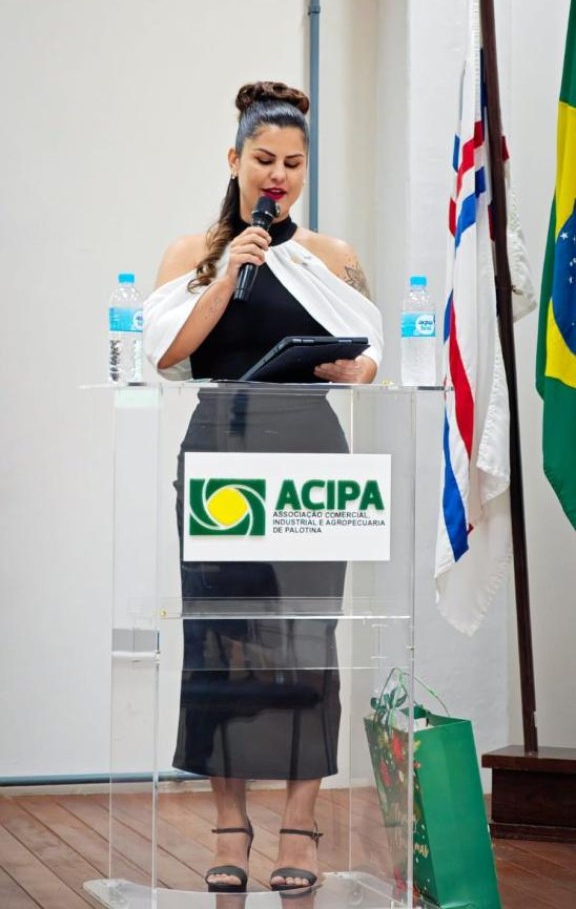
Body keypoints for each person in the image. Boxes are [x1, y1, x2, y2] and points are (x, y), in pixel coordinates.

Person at [144, 81, 383, 894]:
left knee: (309, 639)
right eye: (264, 160)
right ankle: (229, 826)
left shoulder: (332, 255)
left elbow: (373, 354)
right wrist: (228, 273)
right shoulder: (192, 253)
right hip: (221, 454)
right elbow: (165, 353)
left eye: (294, 163)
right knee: (221, 640)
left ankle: (301, 827)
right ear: (234, 159)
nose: (278, 176)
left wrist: (356, 371)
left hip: (312, 455)